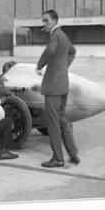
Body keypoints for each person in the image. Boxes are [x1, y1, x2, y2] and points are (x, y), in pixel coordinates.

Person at [36, 10, 80, 168]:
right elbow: (72, 51)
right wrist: (64, 67)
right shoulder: (63, 35)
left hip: (53, 87)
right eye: (42, 21)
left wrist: (40, 65)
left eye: (46, 20)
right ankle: (73, 153)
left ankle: (58, 158)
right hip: (63, 85)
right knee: (62, 119)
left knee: (53, 122)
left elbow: (50, 51)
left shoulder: (55, 36)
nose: (44, 24)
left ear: (54, 20)